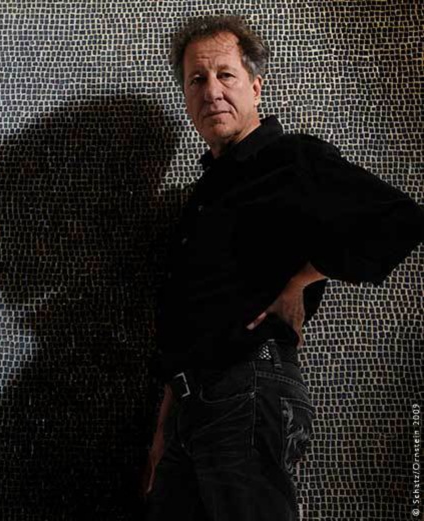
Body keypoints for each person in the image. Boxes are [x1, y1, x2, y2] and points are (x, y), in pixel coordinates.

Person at [142, 14, 424, 521]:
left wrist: (301, 281)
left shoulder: (291, 158)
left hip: (246, 387)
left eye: (225, 75)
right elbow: (192, 313)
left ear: (255, 86)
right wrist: (166, 427)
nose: (211, 92)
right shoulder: (204, 192)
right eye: (196, 79)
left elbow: (400, 220)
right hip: (190, 405)